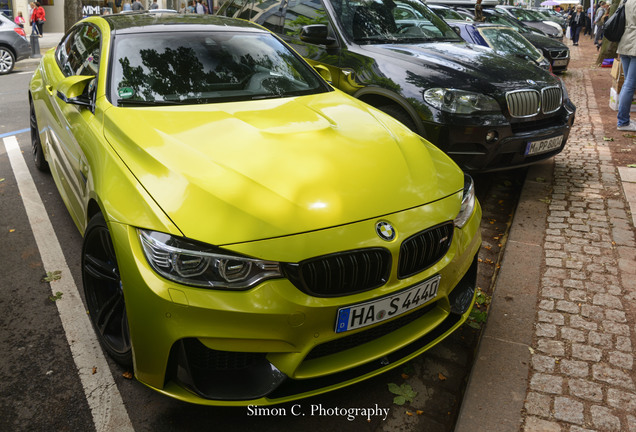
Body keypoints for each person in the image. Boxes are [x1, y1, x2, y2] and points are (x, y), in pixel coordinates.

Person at [617, 0, 636, 131]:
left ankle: (624, 119)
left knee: (627, 83)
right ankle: (623, 122)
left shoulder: (625, 1)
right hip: (634, 44)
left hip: (624, 42)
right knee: (629, 84)